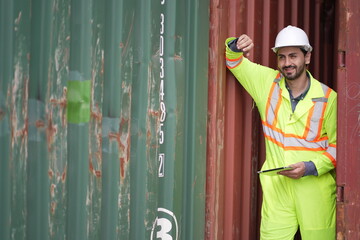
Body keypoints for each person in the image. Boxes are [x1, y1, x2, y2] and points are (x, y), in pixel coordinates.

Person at [225, 25, 337, 240]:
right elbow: (234, 61)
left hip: (314, 191)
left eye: (293, 56)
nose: (287, 63)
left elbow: (339, 147)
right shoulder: (266, 83)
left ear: (307, 57)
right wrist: (236, 44)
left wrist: (311, 167)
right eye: (282, 57)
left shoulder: (329, 98)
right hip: (278, 190)